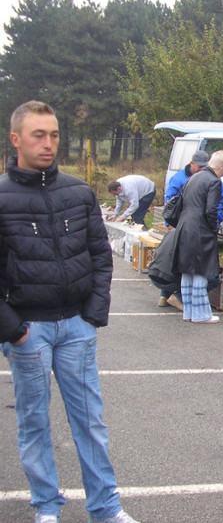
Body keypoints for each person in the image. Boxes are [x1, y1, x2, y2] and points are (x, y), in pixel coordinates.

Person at [0, 101, 139, 523]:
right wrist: (14, 330)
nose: (48, 144)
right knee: (34, 424)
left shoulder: (79, 193)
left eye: (55, 134)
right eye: (39, 135)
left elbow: (101, 254)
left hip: (76, 327)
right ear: (16, 139)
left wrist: (93, 313)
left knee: (90, 424)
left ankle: (106, 507)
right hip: (29, 333)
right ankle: (46, 508)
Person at [171, 149, 223, 324]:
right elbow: (211, 210)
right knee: (201, 271)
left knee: (188, 270)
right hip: (200, 230)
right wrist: (213, 230)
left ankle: (188, 312)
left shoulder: (193, 178)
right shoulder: (214, 182)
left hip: (184, 227)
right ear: (222, 169)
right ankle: (201, 314)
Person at [148, 228, 221, 309]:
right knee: (214, 280)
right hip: (170, 281)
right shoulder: (196, 238)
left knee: (168, 265)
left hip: (154, 275)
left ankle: (164, 297)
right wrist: (220, 269)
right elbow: (201, 263)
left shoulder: (173, 231)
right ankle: (179, 298)